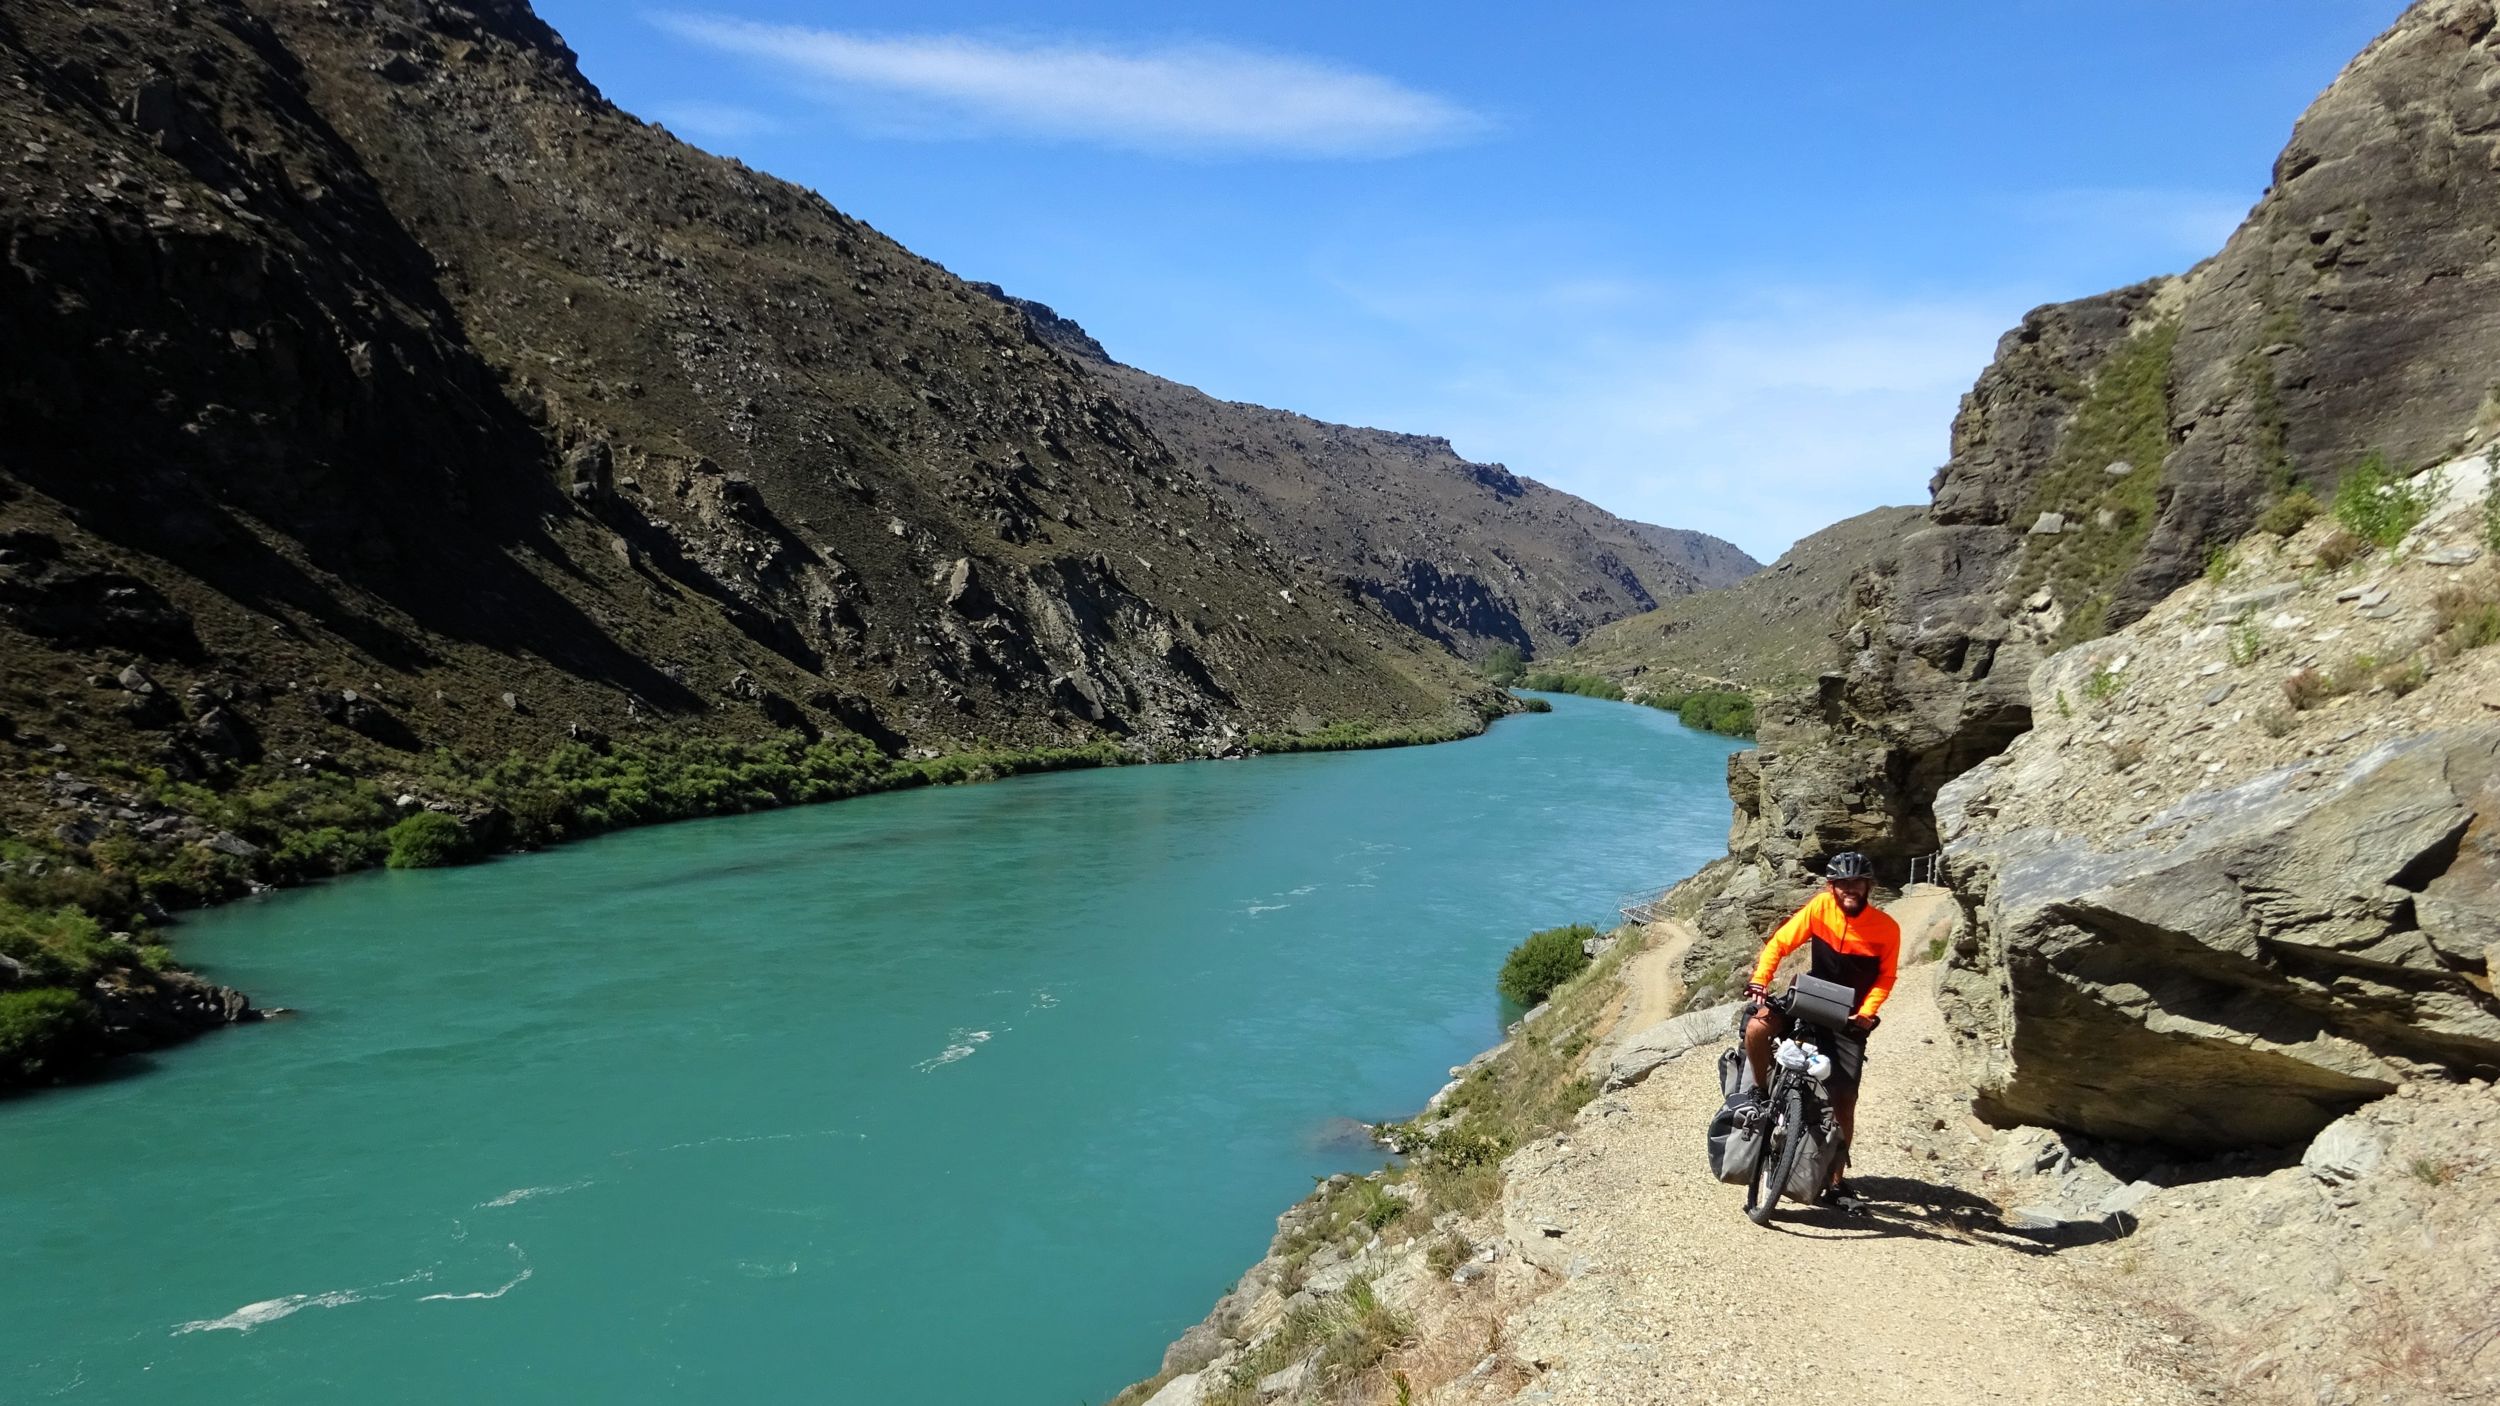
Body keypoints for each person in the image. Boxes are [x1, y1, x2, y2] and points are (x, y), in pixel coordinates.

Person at [1741, 851, 1900, 1205]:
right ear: (1831, 886)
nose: (1849, 889)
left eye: (1857, 882)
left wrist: (1867, 1012)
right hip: (1810, 997)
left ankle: (1835, 1181)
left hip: (1849, 1016)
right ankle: (1761, 1092)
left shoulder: (1886, 928)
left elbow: (1886, 977)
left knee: (1845, 1100)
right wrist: (1760, 980)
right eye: (1842, 883)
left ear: (1869, 886)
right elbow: (1780, 942)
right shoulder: (1820, 908)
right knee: (1756, 1028)